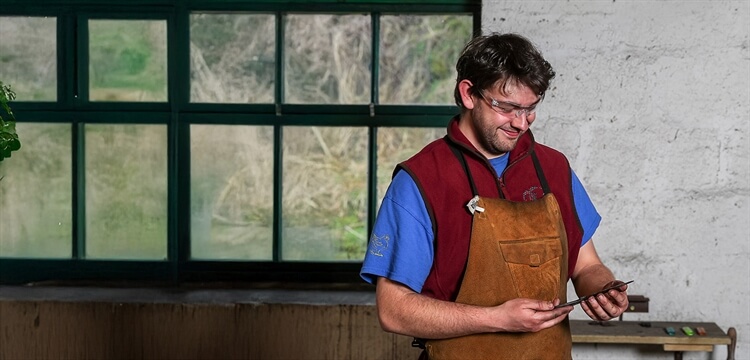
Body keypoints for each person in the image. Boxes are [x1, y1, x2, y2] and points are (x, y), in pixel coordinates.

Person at [360, 33, 630, 359]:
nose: (521, 123)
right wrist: (496, 319)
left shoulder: (554, 168)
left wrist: (602, 290)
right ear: (469, 94)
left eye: (531, 109)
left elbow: (587, 266)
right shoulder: (421, 180)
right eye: (508, 107)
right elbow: (394, 310)